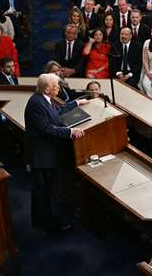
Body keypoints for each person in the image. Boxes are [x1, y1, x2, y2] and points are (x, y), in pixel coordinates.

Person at [24, 73, 88, 232]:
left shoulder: (43, 99)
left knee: (42, 191)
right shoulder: (36, 104)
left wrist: (76, 102)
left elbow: (57, 111)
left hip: (45, 154)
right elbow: (46, 128)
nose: (59, 88)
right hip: (41, 157)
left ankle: (40, 220)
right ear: (47, 89)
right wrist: (70, 132)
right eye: (56, 86)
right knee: (43, 192)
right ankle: (49, 225)